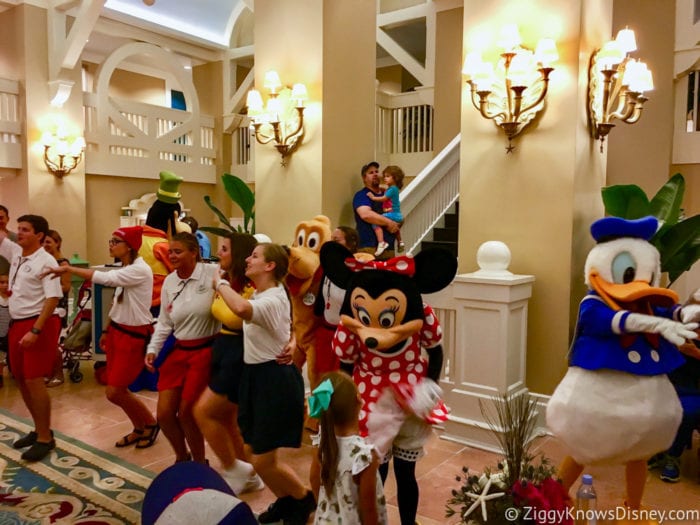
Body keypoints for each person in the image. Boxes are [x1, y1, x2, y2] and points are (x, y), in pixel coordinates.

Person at [215, 243, 315, 524]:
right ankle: (286, 501)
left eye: (255, 256)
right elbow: (286, 322)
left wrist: (219, 284)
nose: (248, 258)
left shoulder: (270, 297)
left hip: (274, 380)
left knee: (261, 460)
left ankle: (302, 499)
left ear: (270, 266)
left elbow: (241, 308)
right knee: (251, 450)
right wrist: (291, 337)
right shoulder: (266, 292)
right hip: (255, 376)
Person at [43, 226, 159, 449]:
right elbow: (117, 303)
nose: (111, 244)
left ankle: (151, 423)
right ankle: (139, 426)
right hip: (117, 331)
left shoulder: (139, 270)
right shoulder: (126, 267)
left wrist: (69, 268)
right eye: (111, 240)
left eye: (116, 241)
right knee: (118, 391)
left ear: (130, 246)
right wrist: (106, 330)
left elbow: (103, 279)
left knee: (114, 391)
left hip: (132, 335)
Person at [194, 231, 264, 494]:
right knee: (227, 419)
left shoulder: (251, 287)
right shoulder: (228, 281)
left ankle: (233, 467)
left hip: (239, 351)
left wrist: (220, 288)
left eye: (224, 249)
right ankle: (248, 475)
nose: (219, 253)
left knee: (203, 411)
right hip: (223, 347)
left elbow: (238, 316)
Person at [145, 232, 220, 463]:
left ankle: (200, 462)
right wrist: (153, 349)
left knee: (187, 413)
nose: (172, 256)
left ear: (194, 252)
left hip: (206, 352)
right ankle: (181, 457)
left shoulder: (212, 274)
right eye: (170, 252)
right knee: (165, 414)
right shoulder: (170, 281)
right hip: (179, 352)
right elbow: (166, 322)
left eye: (177, 251)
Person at [0, 215, 63, 461]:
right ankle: (38, 429)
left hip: (39, 323)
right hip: (18, 321)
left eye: (25, 229)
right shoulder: (18, 256)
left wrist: (35, 330)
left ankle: (46, 438)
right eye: (19, 228)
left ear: (39, 235)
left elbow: (52, 298)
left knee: (35, 380)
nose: (20, 232)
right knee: (21, 379)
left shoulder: (46, 261)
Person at [309, 371, 387, 525]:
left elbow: (313, 480)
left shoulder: (322, 444)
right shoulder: (364, 456)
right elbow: (369, 510)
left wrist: (327, 509)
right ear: (359, 399)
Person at [353, 162, 399, 260]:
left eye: (377, 172)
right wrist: (389, 223)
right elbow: (366, 215)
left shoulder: (386, 194)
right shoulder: (362, 195)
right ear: (364, 178)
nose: (375, 174)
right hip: (369, 248)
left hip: (389, 249)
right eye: (371, 172)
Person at [42, 229, 71, 387]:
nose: (45, 245)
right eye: (44, 242)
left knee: (53, 343)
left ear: (57, 243)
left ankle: (59, 374)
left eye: (49, 242)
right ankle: (48, 372)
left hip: (58, 307)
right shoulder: (45, 262)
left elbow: (66, 287)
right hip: (45, 305)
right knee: (45, 341)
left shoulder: (63, 264)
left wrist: (48, 286)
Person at [367, 166, 405, 256]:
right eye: (384, 176)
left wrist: (372, 197)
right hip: (396, 215)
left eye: (388, 176)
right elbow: (384, 189)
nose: (385, 178)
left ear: (395, 178)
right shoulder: (392, 188)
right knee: (394, 227)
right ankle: (400, 241)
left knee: (375, 221)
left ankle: (381, 242)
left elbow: (383, 198)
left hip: (393, 214)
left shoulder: (392, 189)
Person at [0, 271, 9, 386]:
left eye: (7, 282)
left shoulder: (14, 298)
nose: (5, 285)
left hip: (11, 331)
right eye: (2, 282)